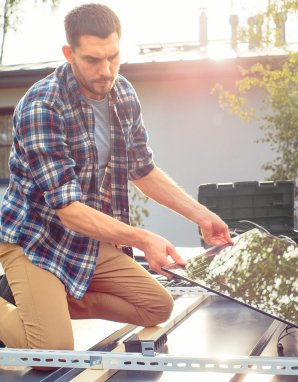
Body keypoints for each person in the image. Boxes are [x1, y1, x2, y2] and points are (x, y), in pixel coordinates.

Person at [0, 3, 232, 352]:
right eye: (93, 60)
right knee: (52, 350)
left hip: (86, 240)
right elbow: (69, 210)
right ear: (69, 53)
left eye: (113, 57)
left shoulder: (122, 94)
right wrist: (142, 239)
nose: (106, 70)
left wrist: (202, 216)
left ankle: (50, 304)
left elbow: (143, 170)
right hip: (34, 238)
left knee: (156, 306)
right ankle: (33, 306)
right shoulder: (41, 107)